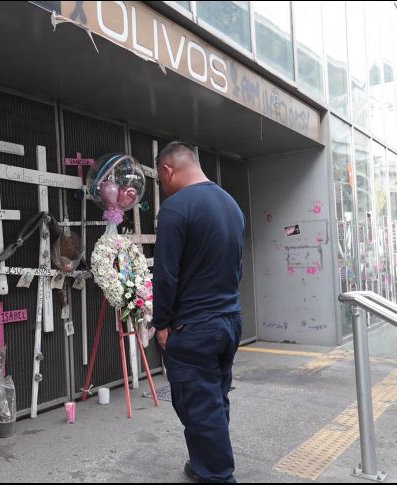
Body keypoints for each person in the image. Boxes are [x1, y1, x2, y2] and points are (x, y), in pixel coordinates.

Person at [151, 142, 245, 483]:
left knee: (197, 404)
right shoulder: (230, 204)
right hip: (229, 320)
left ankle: (217, 475)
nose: (163, 188)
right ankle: (205, 463)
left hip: (195, 327)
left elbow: (165, 274)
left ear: (167, 170)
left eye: (161, 180)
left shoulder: (176, 208)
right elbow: (236, 266)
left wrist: (161, 322)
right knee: (215, 398)